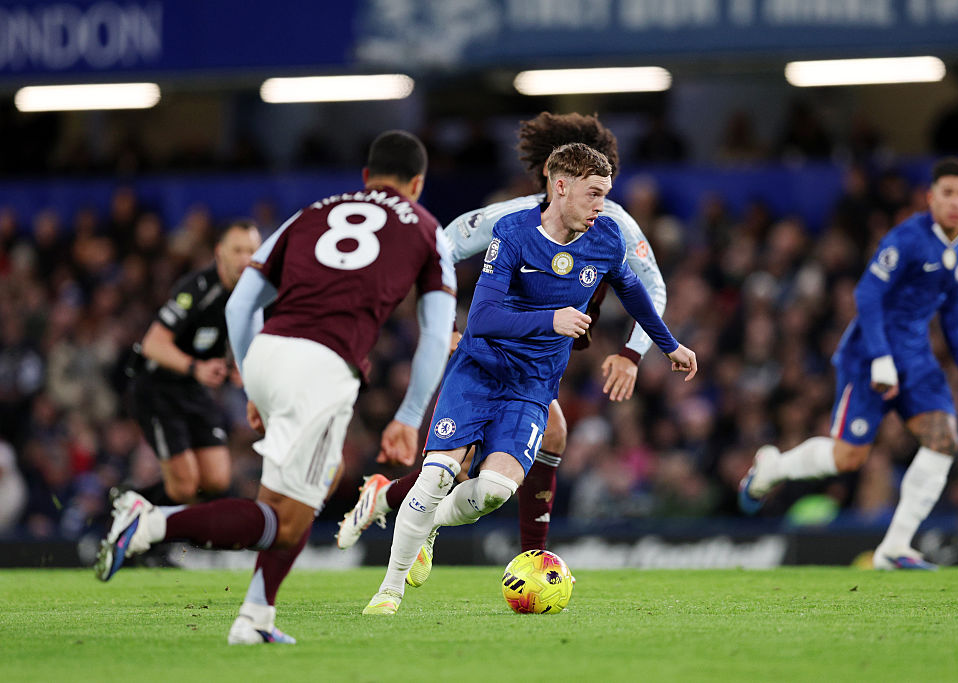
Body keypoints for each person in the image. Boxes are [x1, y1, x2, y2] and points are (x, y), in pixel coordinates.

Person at [94, 130, 457, 644]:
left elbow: (241, 305)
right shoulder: (426, 229)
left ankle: (255, 617)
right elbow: (437, 333)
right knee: (287, 521)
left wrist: (252, 386)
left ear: (364, 178)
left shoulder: (310, 213)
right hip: (322, 367)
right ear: (417, 184)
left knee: (304, 491)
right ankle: (151, 522)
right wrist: (409, 415)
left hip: (267, 350)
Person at [362, 142, 696, 614]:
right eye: (593, 195)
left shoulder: (606, 238)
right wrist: (551, 321)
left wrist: (669, 345)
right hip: (478, 371)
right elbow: (482, 317)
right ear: (560, 187)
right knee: (438, 475)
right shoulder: (514, 232)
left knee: (495, 492)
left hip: (531, 387)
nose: (601, 207)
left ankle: (425, 524)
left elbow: (635, 291)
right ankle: (389, 592)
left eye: (605, 195)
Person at [739, 157, 958, 570]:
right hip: (869, 354)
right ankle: (772, 467)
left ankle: (895, 548)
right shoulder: (906, 239)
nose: (955, 202)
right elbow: (867, 296)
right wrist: (882, 360)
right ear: (931, 197)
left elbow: (954, 308)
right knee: (848, 458)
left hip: (917, 358)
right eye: (947, 193)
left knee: (944, 439)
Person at [128, 219, 261, 504]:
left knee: (217, 479)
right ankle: (128, 507)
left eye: (251, 250)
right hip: (157, 388)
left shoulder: (251, 295)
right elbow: (152, 343)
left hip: (194, 389)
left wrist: (237, 366)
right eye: (237, 250)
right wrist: (195, 367)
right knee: (184, 487)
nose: (245, 258)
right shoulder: (197, 288)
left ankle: (160, 523)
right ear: (219, 253)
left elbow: (234, 339)